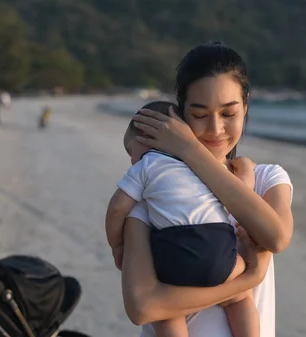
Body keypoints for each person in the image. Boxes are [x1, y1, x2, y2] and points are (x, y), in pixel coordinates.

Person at [118, 41, 294, 337]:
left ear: (245, 110)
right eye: (199, 114)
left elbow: (276, 237)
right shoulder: (156, 196)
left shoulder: (266, 180)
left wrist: (190, 150)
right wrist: (246, 281)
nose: (215, 128)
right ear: (179, 117)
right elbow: (142, 306)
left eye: (228, 113)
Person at [106, 101, 259, 337]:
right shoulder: (203, 167)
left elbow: (117, 209)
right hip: (217, 252)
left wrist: (116, 243)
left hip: (173, 260)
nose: (130, 160)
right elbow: (240, 191)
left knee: (167, 313)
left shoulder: (146, 165)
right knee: (240, 299)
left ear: (148, 140)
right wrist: (247, 168)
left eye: (130, 151)